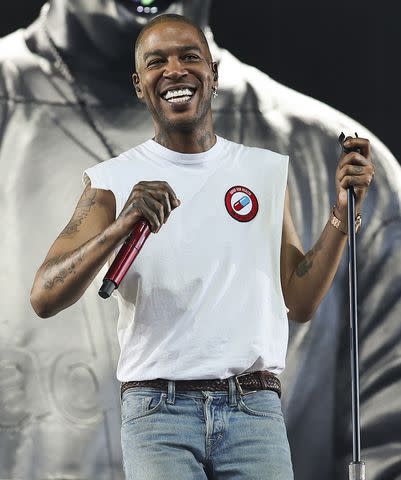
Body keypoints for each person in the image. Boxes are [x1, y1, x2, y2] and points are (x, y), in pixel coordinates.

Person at [1, 1, 400, 479]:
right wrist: (117, 228)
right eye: (156, 61)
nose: (174, 70)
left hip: (253, 410)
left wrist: (340, 215)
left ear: (213, 73)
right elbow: (44, 295)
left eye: (189, 57)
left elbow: (299, 301)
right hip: (158, 413)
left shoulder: (268, 168)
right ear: (139, 84)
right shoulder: (112, 181)